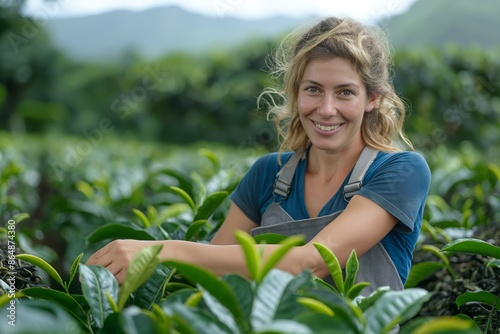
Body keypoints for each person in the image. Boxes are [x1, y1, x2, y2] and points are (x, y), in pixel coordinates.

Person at [86, 16, 431, 296]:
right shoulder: (269, 173)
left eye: (345, 93)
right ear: (295, 94)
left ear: (371, 98)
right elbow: (213, 270)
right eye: (313, 89)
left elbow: (310, 262)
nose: (327, 110)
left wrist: (157, 250)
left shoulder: (402, 171)